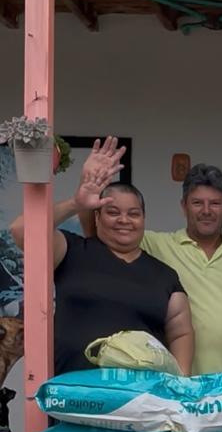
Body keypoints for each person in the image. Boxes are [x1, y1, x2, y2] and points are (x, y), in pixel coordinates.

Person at [83, 158, 222, 374]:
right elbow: (101, 236)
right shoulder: (156, 245)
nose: (206, 210)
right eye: (197, 202)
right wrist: (90, 195)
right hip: (174, 385)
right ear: (184, 206)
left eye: (215, 203)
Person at [11, 140, 193, 375]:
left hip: (139, 402)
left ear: (143, 220)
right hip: (74, 397)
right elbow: (21, 230)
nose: (124, 220)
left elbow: (181, 332)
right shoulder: (72, 250)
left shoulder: (164, 275)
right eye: (113, 212)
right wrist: (76, 203)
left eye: (134, 214)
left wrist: (181, 382)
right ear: (97, 217)